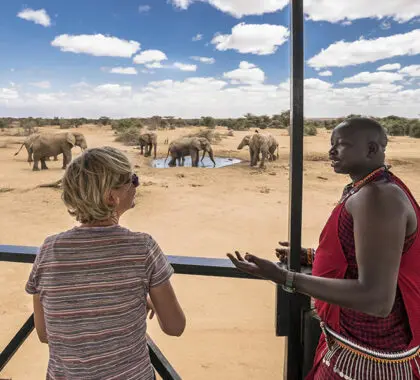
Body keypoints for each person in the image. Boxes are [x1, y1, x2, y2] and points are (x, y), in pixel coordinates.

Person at [228, 118, 420, 379]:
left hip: (368, 362)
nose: (330, 151)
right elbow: (378, 257)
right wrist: (314, 257)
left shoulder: (377, 197)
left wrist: (284, 277)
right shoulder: (370, 189)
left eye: (340, 145)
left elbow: (376, 299)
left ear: (372, 150)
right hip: (349, 347)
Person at [25, 146, 186, 380]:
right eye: (133, 180)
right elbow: (175, 327)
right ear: (113, 196)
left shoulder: (49, 249)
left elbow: (44, 333)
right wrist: (141, 300)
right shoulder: (142, 248)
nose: (136, 186)